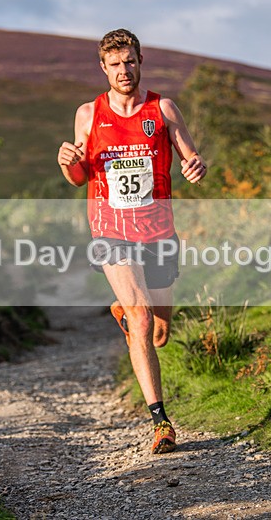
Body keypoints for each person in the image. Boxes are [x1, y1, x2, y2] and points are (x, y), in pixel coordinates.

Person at [56, 29, 207, 454]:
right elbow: (79, 175)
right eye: (116, 64)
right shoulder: (88, 114)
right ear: (103, 68)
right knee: (140, 324)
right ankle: (161, 422)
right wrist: (67, 162)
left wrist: (196, 167)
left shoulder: (163, 108)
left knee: (159, 329)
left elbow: (190, 158)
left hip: (157, 231)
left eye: (130, 62)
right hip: (110, 231)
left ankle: (127, 310)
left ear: (141, 61)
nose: (124, 71)